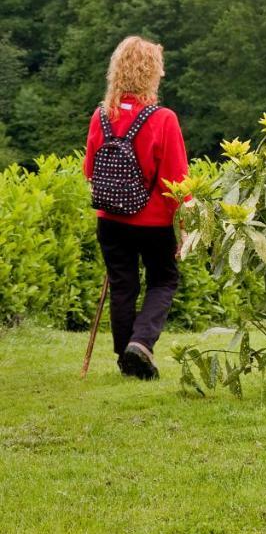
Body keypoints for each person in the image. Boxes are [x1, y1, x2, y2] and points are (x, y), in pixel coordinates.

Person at [83, 37, 189, 381]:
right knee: (163, 280)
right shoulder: (163, 119)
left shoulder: (100, 115)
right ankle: (140, 344)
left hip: (110, 218)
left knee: (123, 284)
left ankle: (126, 354)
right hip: (153, 221)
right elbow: (177, 180)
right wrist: (186, 223)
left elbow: (89, 171)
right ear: (151, 74)